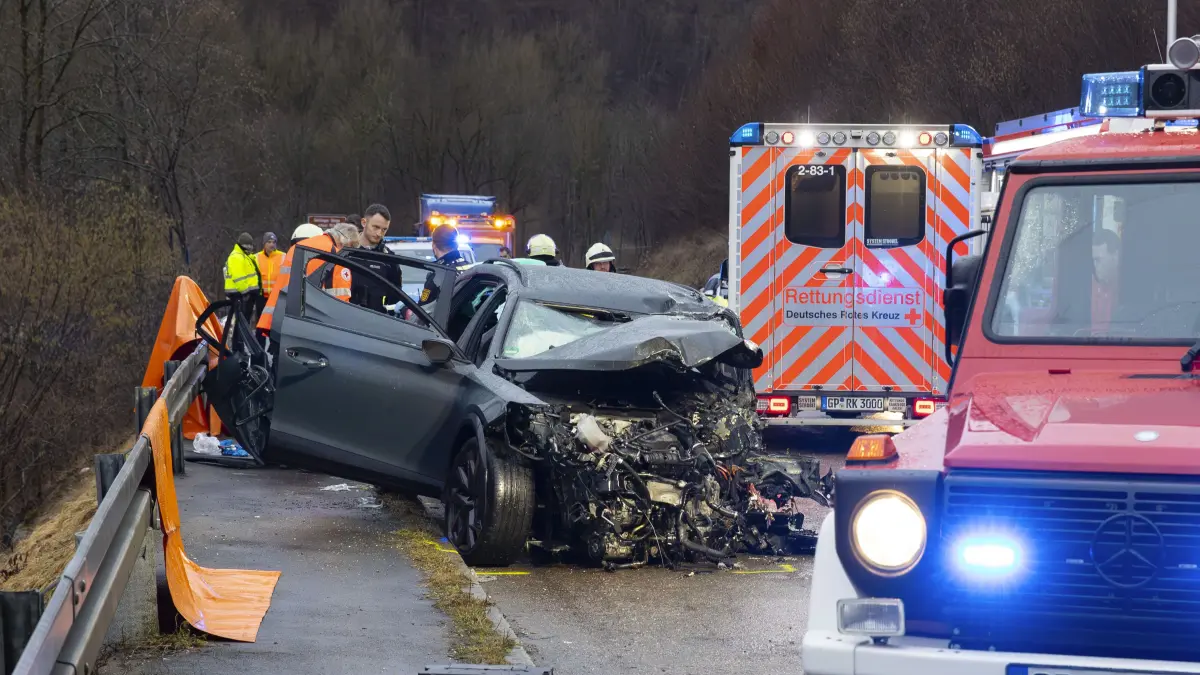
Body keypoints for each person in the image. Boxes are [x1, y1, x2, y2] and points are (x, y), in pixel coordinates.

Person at [257, 223, 361, 332]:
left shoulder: (299, 246)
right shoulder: (336, 255)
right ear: (346, 242)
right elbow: (340, 300)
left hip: (277, 318)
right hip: (305, 325)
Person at [419, 225, 472, 305]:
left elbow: (422, 311)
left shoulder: (437, 275)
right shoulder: (470, 269)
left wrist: (404, 309)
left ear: (433, 245)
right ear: (456, 245)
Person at [224, 232, 262, 320]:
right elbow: (239, 278)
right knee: (241, 321)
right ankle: (239, 334)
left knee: (244, 320)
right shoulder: (236, 257)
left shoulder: (245, 256)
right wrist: (246, 293)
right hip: (240, 295)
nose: (251, 248)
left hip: (245, 295)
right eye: (249, 245)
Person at [1092, 228, 1120, 328]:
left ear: (1116, 257)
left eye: (1098, 260)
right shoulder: (1089, 289)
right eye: (1093, 261)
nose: (1095, 266)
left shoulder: (1128, 290)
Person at [256, 232, 284, 312]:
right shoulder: (256, 257)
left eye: (274, 242)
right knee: (261, 321)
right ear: (264, 243)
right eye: (269, 242)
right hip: (261, 297)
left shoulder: (283, 256)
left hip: (277, 297)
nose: (272, 244)